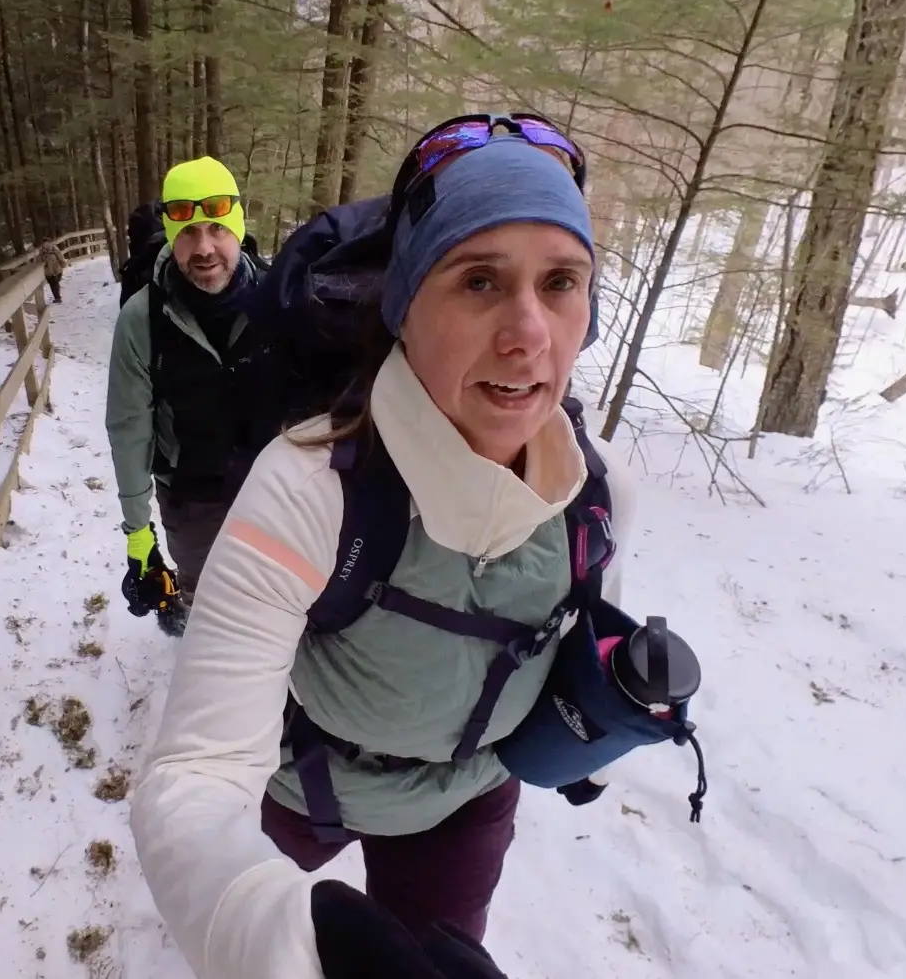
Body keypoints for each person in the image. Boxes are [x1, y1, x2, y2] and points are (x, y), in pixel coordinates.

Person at [129, 116, 641, 979]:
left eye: (562, 282)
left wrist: (605, 706)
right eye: (479, 280)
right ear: (405, 304)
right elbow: (197, 776)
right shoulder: (309, 488)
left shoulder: (600, 488)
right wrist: (279, 938)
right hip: (303, 782)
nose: (529, 332)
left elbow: (582, 627)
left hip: (464, 803)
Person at [105, 156, 272, 637]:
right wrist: (139, 534)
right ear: (170, 237)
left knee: (272, 588)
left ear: (238, 227)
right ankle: (201, 634)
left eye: (216, 229)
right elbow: (129, 429)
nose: (204, 248)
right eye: (187, 233)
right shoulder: (142, 319)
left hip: (271, 487)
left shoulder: (278, 298)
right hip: (190, 493)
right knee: (204, 588)